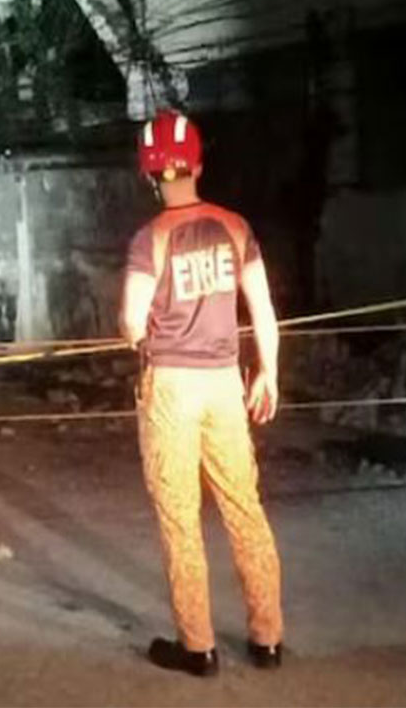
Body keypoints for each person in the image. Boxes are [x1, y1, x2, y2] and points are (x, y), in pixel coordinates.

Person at [121, 109, 285, 677]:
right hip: (224, 384)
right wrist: (269, 373)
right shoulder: (237, 228)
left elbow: (130, 320)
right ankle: (267, 639)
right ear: (197, 162)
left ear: (150, 174)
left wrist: (146, 333)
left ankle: (198, 647)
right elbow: (262, 308)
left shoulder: (152, 239)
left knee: (179, 515)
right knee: (244, 507)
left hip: (170, 387)